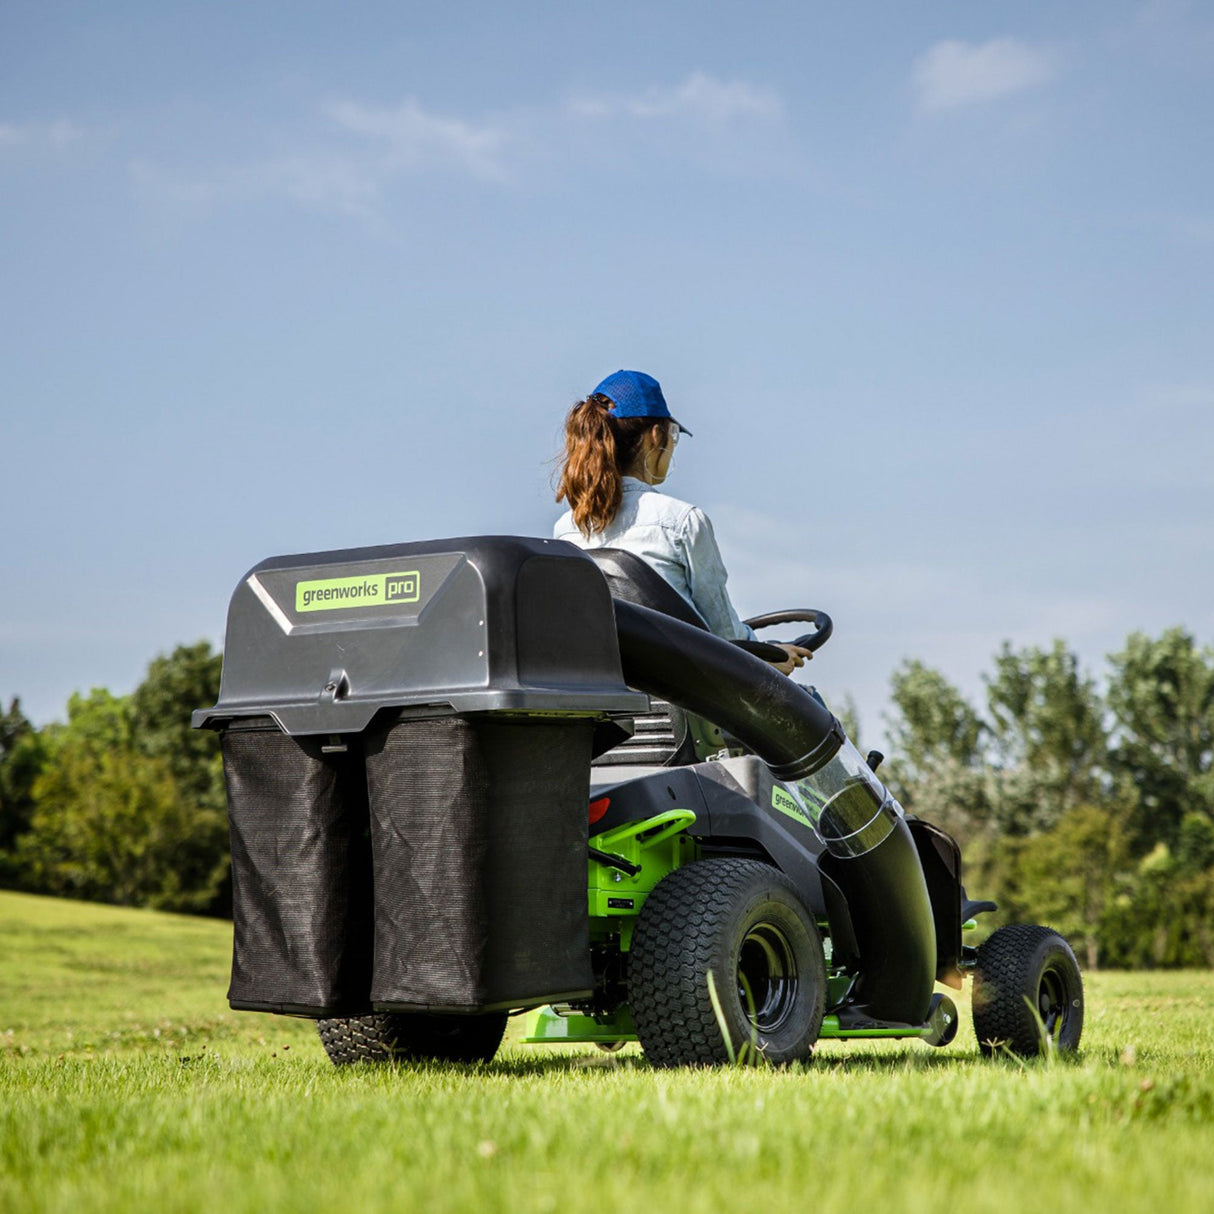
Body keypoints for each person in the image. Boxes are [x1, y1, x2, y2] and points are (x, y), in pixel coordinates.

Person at [554, 369, 811, 675]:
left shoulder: (566, 530)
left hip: (611, 690)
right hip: (686, 698)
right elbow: (723, 631)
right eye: (673, 435)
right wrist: (769, 654)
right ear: (655, 436)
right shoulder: (682, 521)